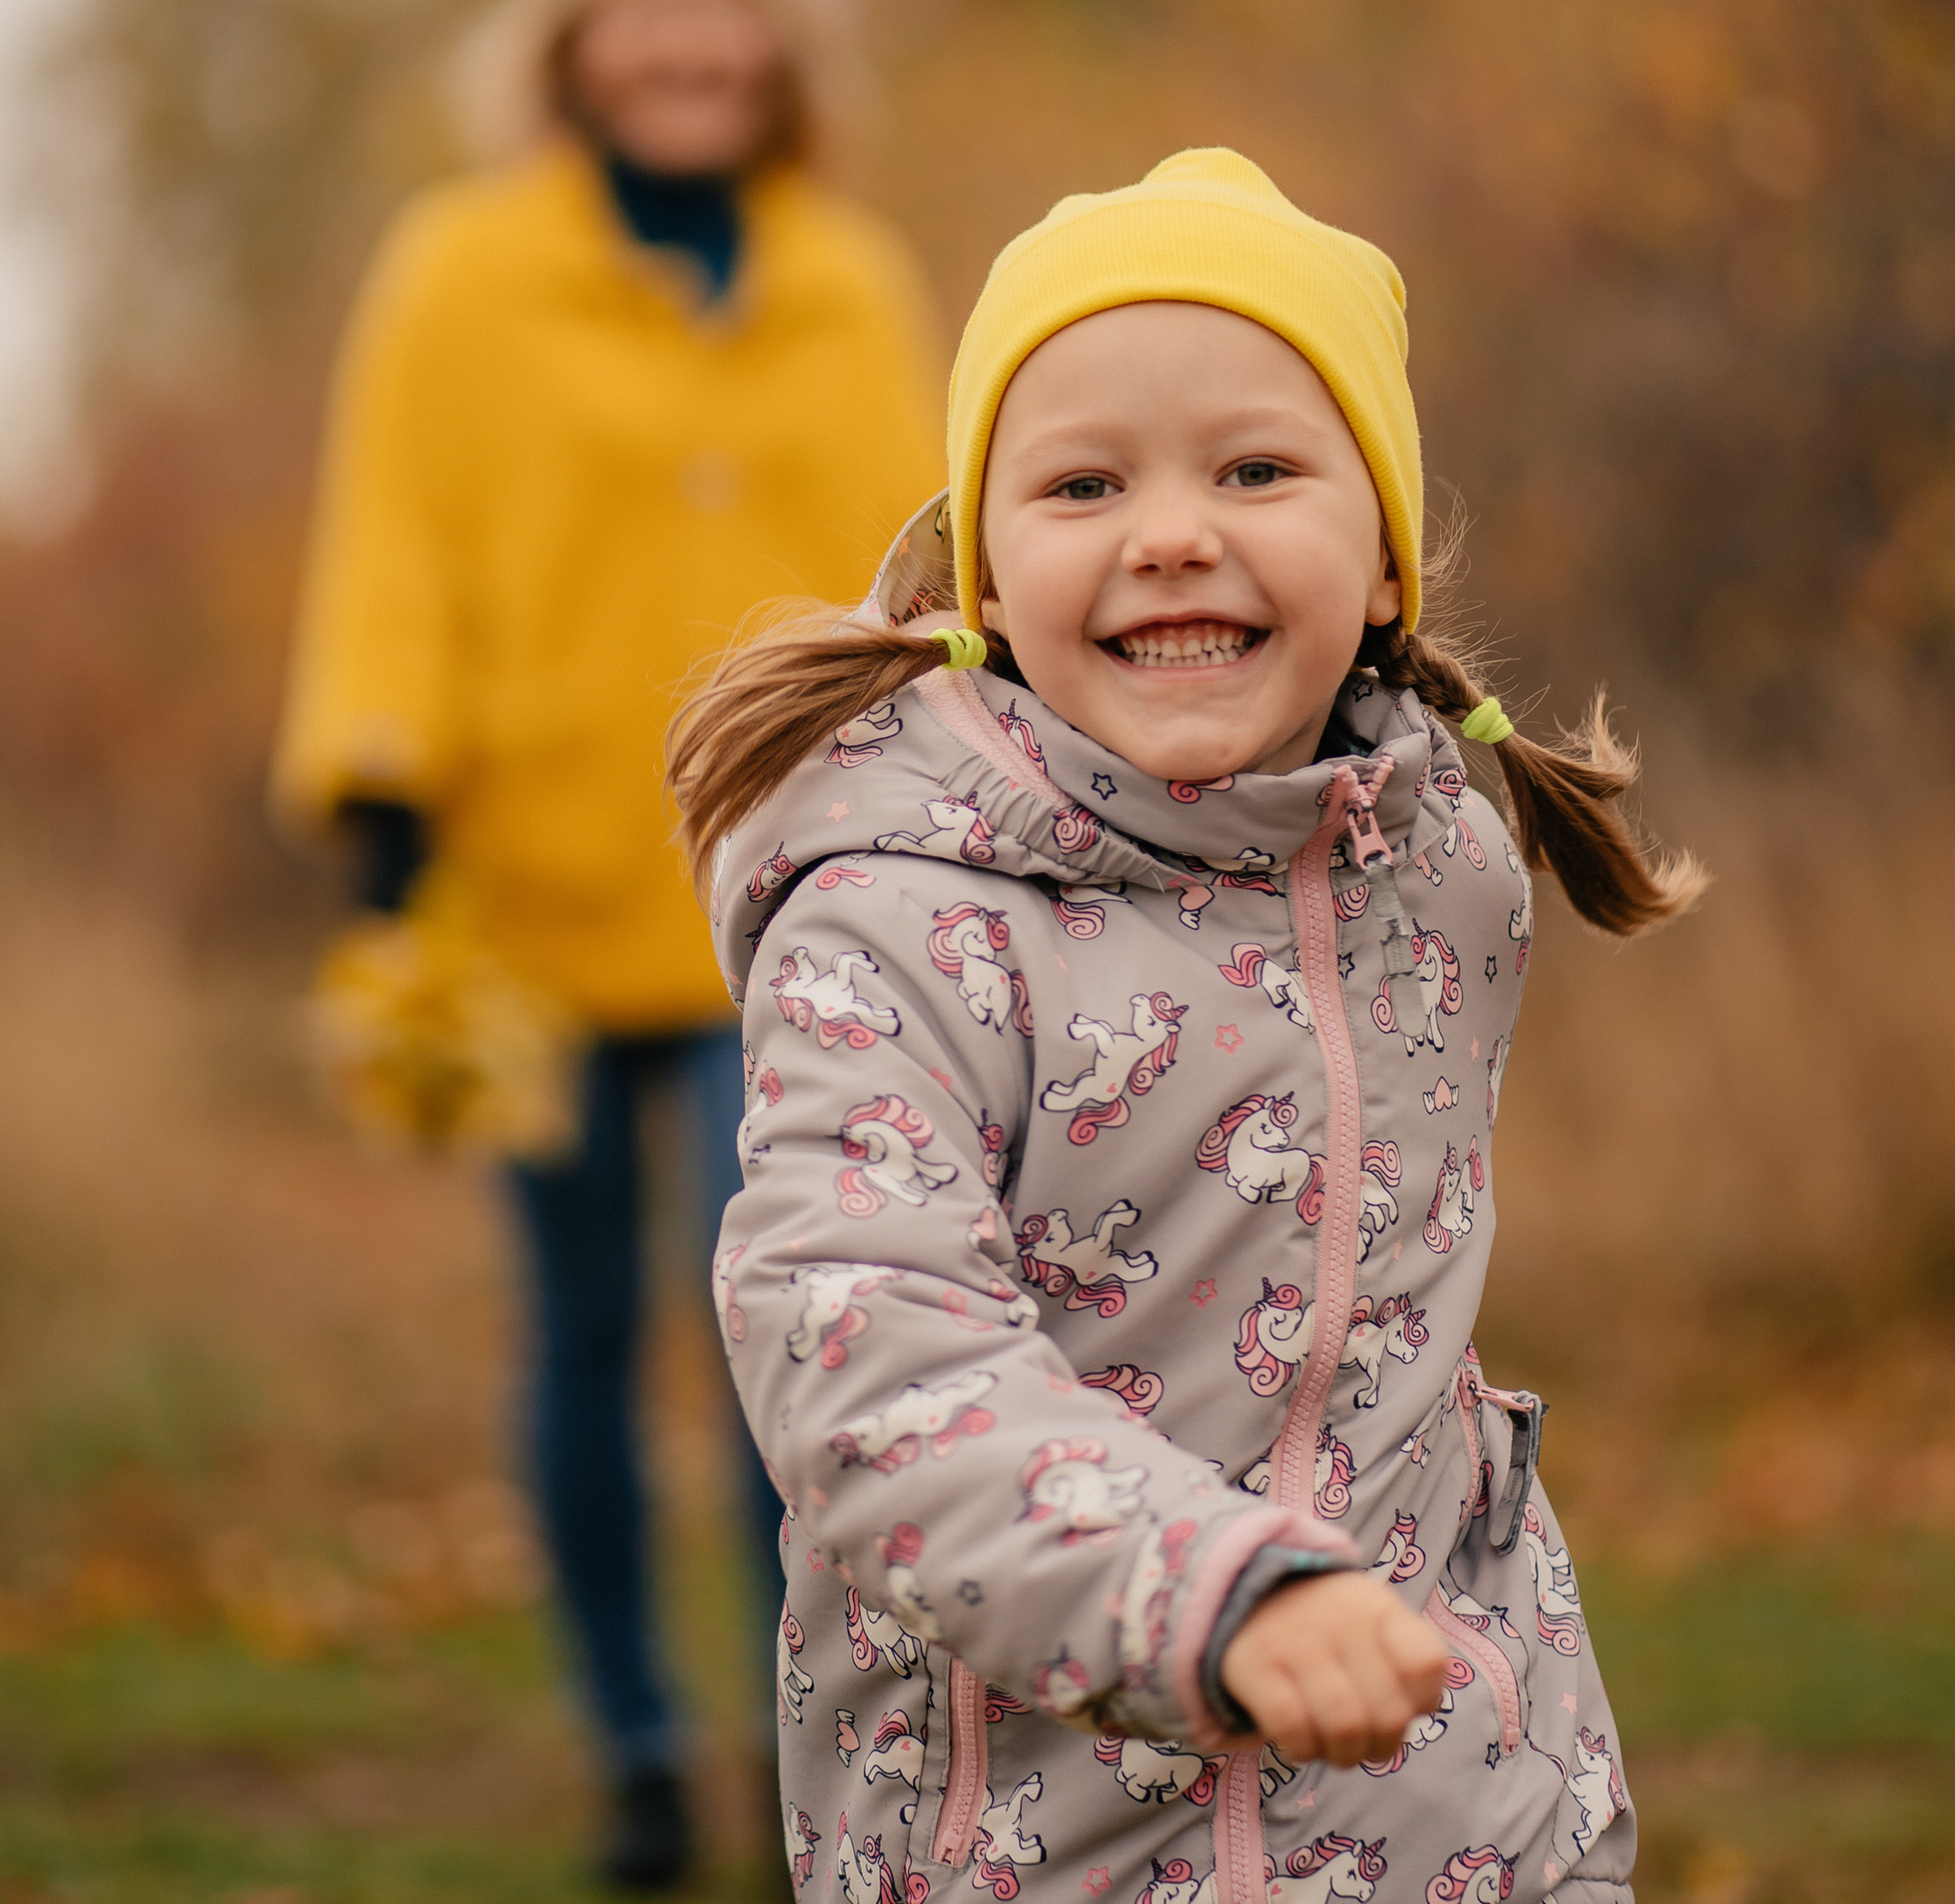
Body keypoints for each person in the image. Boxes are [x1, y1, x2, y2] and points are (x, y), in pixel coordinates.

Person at [670, 149, 1702, 1900]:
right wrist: (1206, 1591)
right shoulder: (896, 929)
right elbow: (862, 1360)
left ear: (1379, 553)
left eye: (1252, 467)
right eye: (1080, 480)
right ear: (981, 567)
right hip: (1050, 1844)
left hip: (1444, 1826)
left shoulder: (1433, 863)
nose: (1168, 529)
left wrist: (1554, 1819)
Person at [273, 0, 944, 1888]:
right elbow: (389, 526)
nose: (682, 44)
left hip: (796, 888)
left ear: (776, 47)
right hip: (540, 879)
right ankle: (633, 1741)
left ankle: (793, 1731)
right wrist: (382, 805)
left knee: (780, 1322)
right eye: (641, 12)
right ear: (568, 49)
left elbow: (928, 554)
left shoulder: (854, 274)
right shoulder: (458, 272)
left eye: (721, 9)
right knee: (574, 1319)